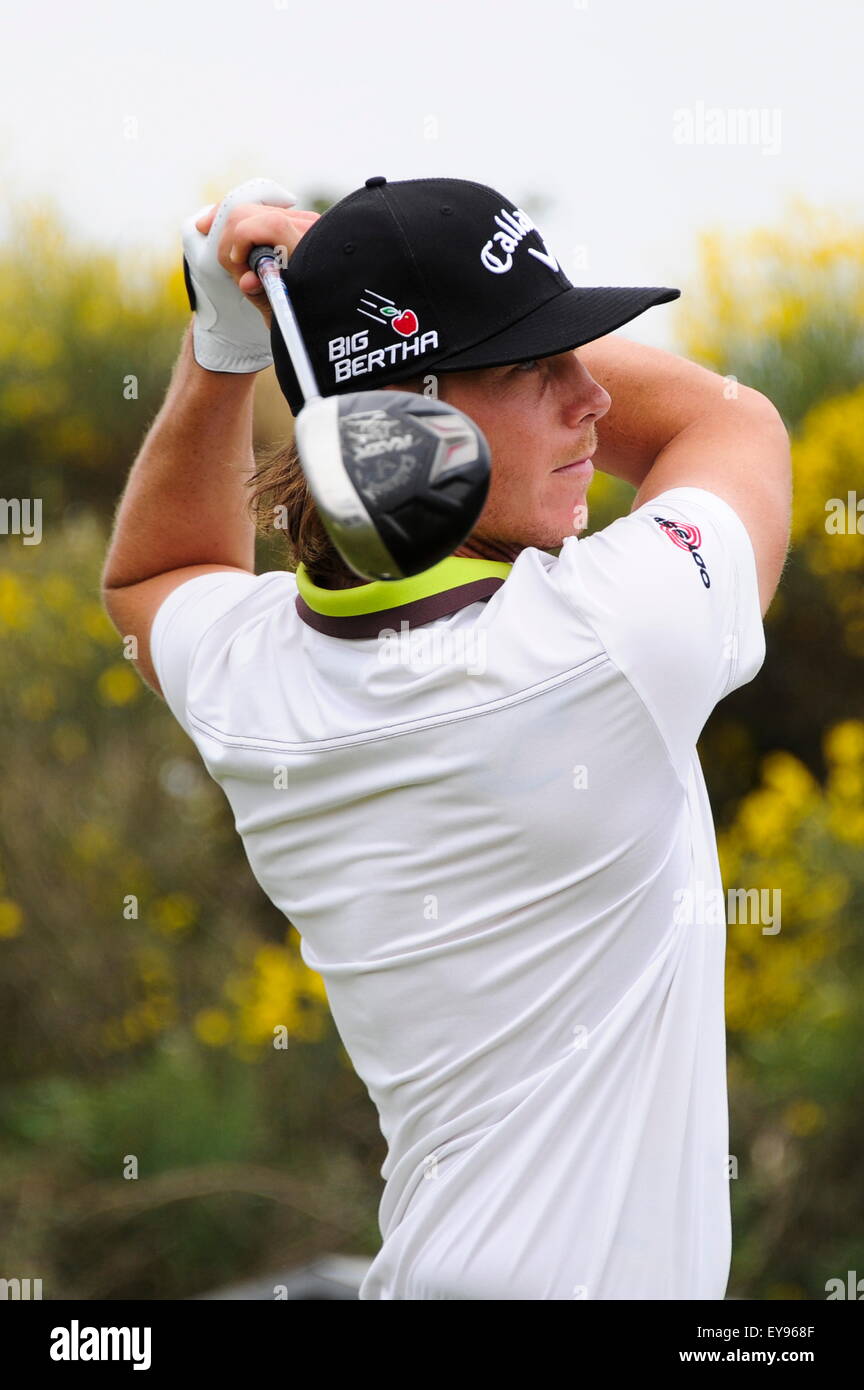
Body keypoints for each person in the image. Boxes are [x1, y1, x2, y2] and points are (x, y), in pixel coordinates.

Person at [101, 175, 792, 1300]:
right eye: (533, 366)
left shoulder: (254, 683)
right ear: (405, 423)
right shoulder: (611, 643)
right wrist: (325, 310)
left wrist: (232, 348)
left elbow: (157, 571)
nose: (592, 399)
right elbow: (729, 418)